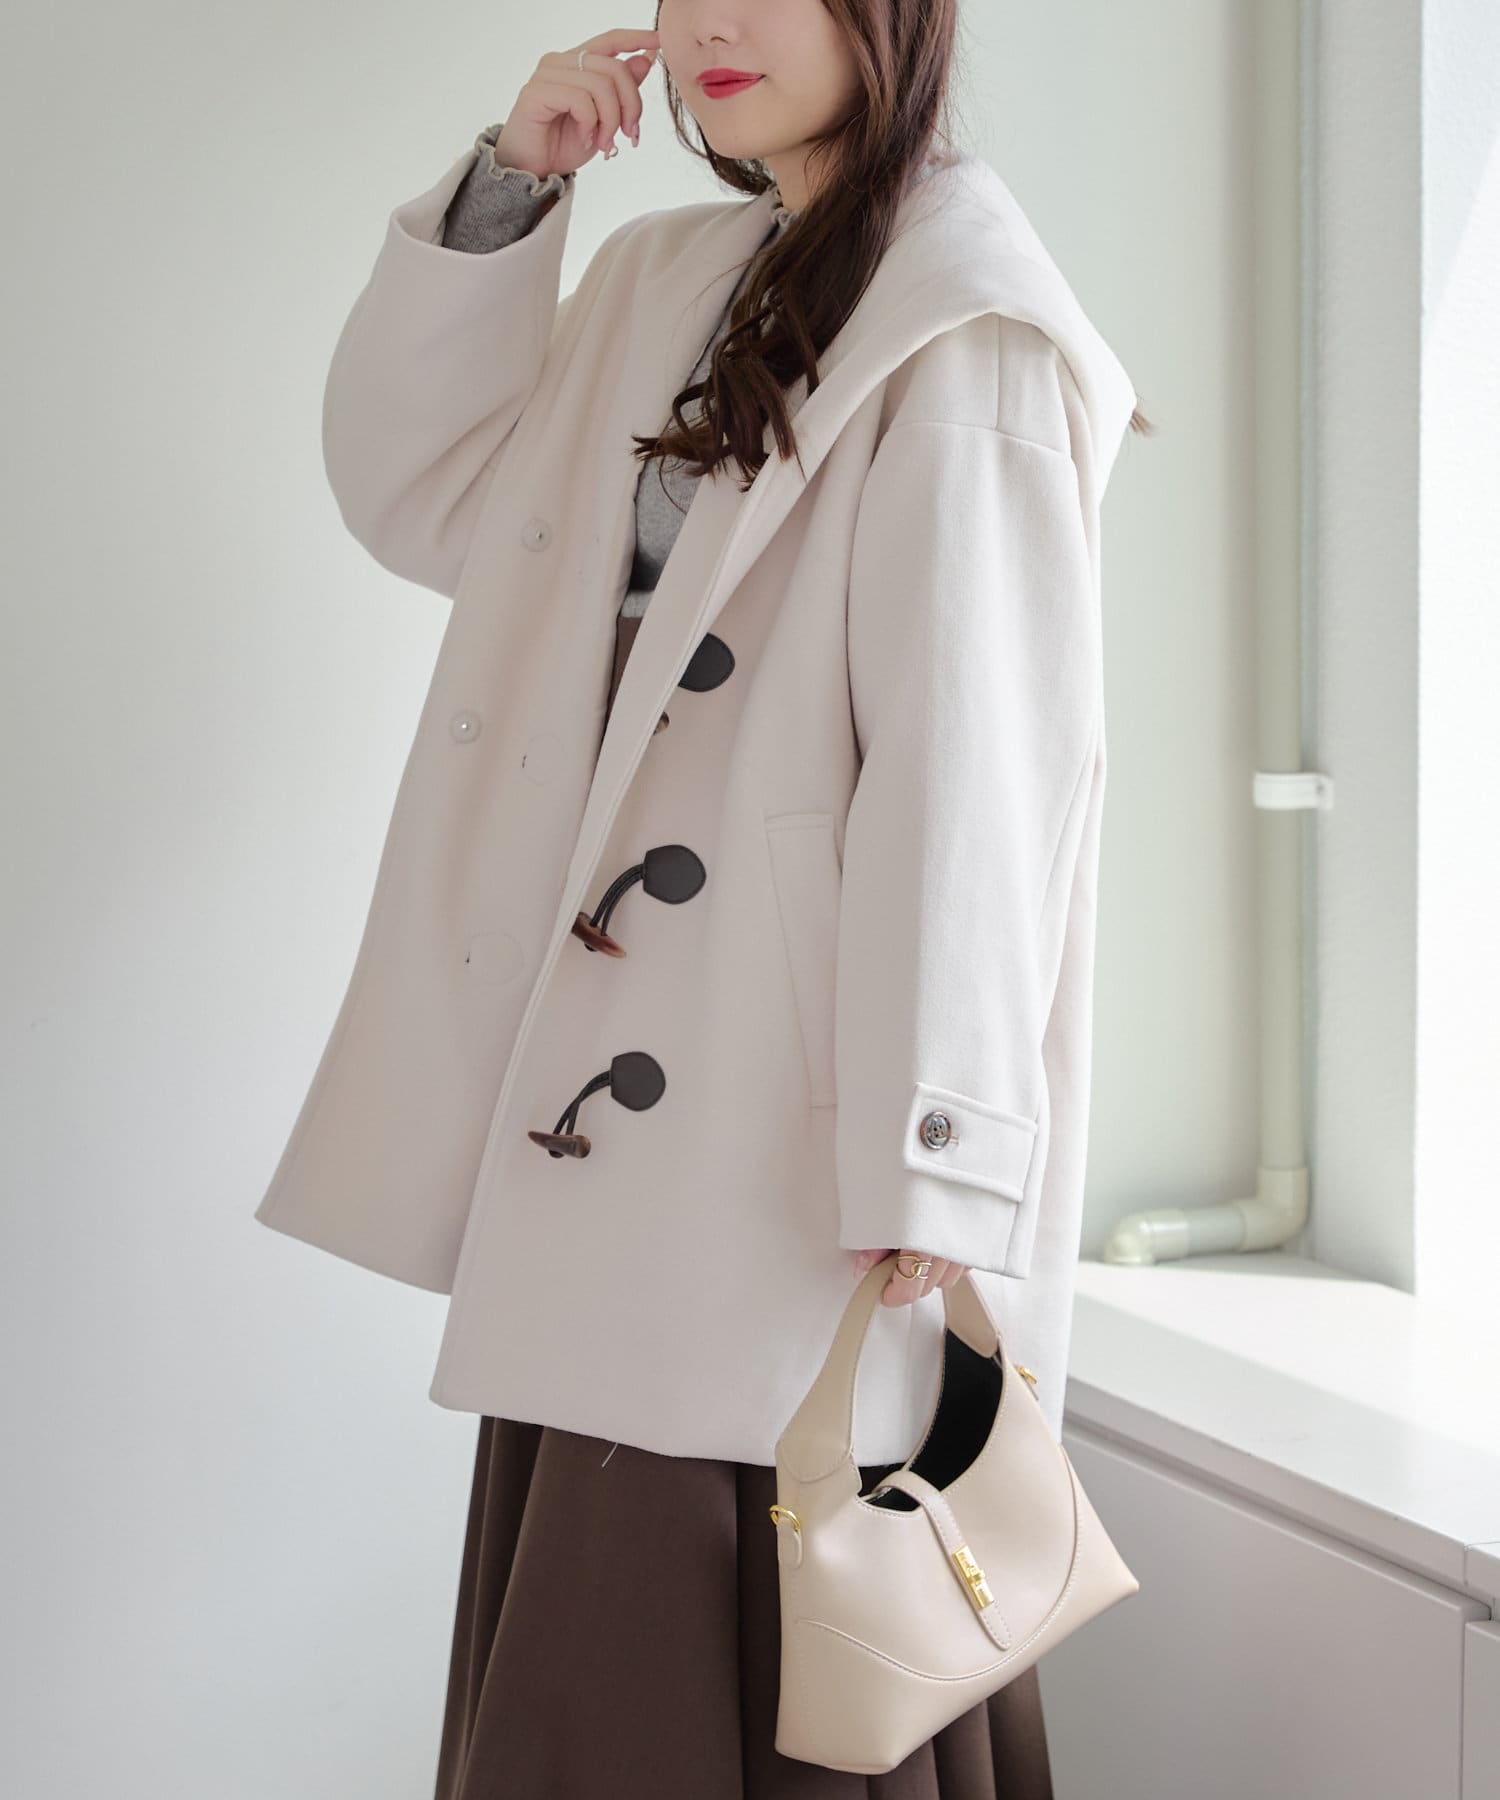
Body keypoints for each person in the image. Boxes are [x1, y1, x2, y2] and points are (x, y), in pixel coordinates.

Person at [259, 5, 1146, 1794]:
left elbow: (981, 777)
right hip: (606, 1126)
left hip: (791, 1128)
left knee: (766, 1626)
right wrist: (512, 194)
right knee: (608, 1623)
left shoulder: (967, 322)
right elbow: (426, 500)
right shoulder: (668, 273)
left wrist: (941, 1155)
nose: (711, 24)